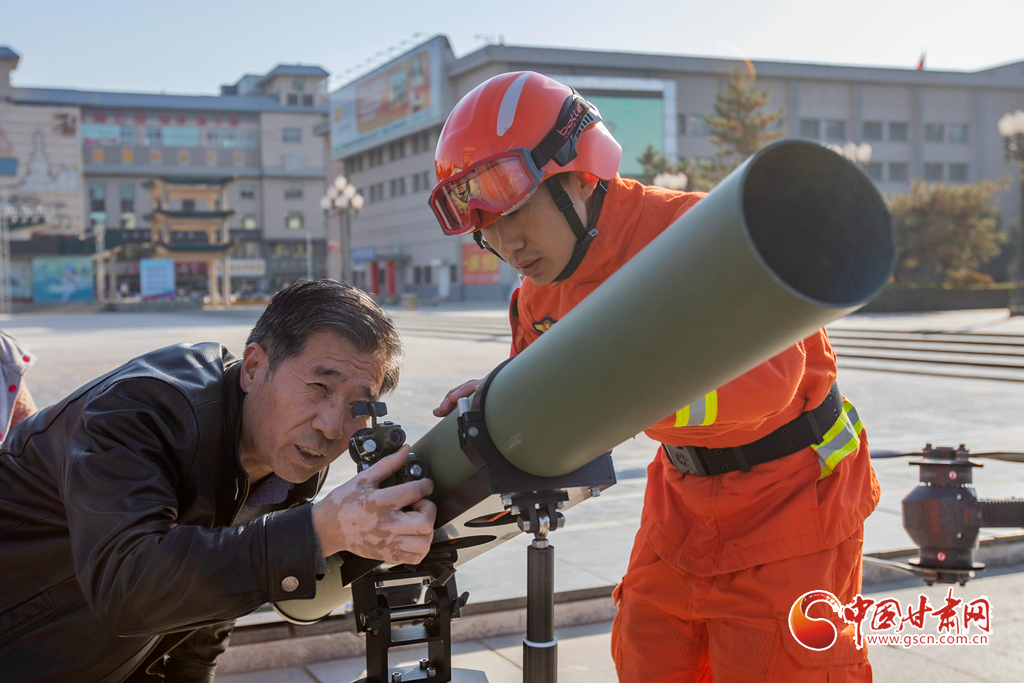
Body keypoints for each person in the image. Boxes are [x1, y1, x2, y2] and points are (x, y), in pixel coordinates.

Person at [430, 72, 879, 682]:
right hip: (683, 502)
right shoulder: (538, 297)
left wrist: (606, 396)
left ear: (580, 174)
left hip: (795, 500)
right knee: (648, 654)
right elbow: (549, 394)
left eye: (517, 210)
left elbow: (771, 379)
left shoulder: (703, 239)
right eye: (485, 226)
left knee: (775, 666)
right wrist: (499, 398)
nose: (507, 242)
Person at [0, 280, 437, 683]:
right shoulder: (141, 410)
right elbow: (127, 586)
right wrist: (320, 529)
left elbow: (229, 565)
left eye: (359, 406)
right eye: (320, 386)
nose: (332, 426)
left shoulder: (291, 455)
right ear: (253, 367)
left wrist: (192, 672)